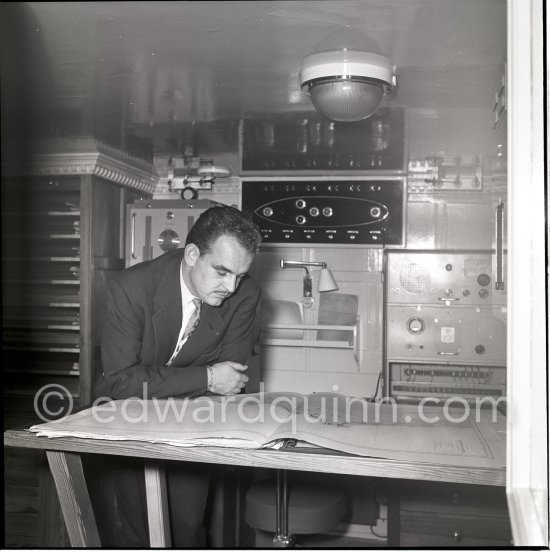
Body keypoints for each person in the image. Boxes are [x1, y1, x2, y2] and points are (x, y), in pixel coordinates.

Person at [94, 205, 262, 547]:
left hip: (193, 421)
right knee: (140, 531)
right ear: (191, 254)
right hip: (129, 419)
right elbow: (120, 382)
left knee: (186, 527)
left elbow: (231, 380)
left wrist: (210, 381)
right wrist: (208, 377)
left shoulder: (246, 296)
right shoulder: (130, 288)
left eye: (240, 275)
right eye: (222, 272)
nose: (231, 286)